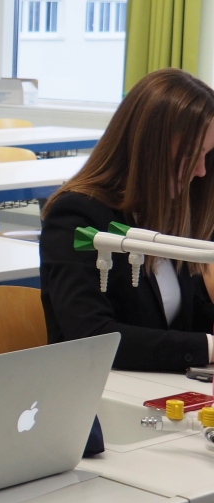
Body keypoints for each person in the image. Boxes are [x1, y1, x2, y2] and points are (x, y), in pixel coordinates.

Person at [41, 68, 214, 372]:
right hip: (95, 388)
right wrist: (208, 347)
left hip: (152, 385)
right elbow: (92, 336)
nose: (200, 171)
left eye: (207, 155)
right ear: (149, 148)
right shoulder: (76, 216)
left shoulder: (169, 210)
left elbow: (187, 315)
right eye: (191, 155)